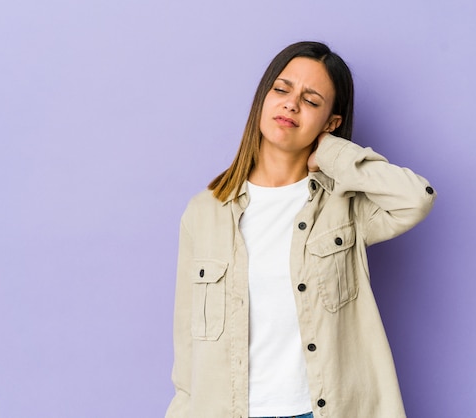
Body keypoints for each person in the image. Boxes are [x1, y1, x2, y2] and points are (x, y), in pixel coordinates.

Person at [165, 41, 436, 418]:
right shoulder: (204, 212)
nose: (291, 104)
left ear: (330, 123)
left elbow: (415, 198)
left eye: (311, 100)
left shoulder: (346, 206)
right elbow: (188, 349)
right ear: (263, 99)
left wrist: (331, 153)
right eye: (281, 89)